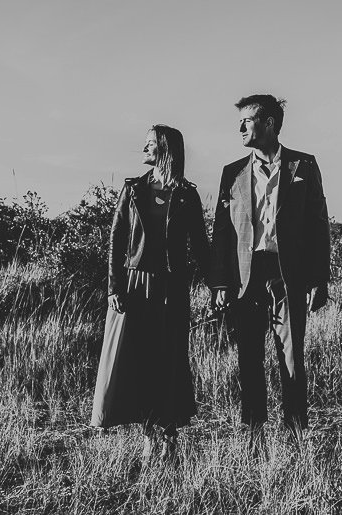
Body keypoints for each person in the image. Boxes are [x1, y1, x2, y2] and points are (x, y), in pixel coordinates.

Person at [209, 94, 330, 450]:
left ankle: (295, 435)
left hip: (287, 273)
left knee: (292, 356)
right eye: (241, 121)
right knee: (249, 357)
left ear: (270, 124)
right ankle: (253, 436)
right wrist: (219, 282)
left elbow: (318, 224)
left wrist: (319, 279)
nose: (241, 127)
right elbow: (222, 232)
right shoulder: (231, 173)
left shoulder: (303, 166)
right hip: (246, 276)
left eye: (248, 120)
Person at [90, 124, 210, 460]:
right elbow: (116, 242)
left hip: (172, 287)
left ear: (166, 149)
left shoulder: (187, 194)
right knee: (138, 361)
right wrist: (114, 286)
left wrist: (219, 285)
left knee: (168, 360)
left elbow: (201, 245)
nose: (144, 149)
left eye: (150, 143)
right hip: (135, 284)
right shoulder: (132, 190)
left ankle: (168, 434)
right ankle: (148, 435)